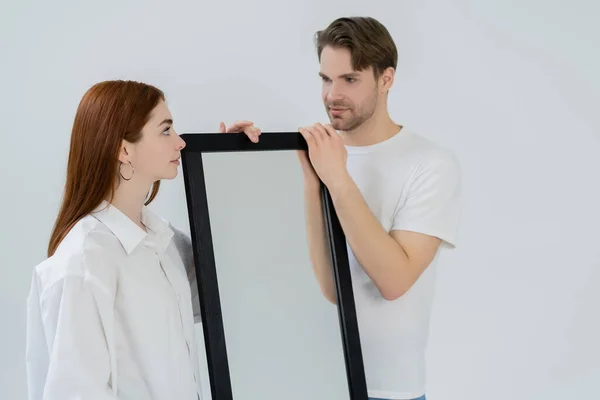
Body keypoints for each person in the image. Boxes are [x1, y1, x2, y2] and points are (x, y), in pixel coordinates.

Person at [25, 80, 260, 400]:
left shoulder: (164, 243)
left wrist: (225, 166)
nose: (180, 142)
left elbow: (227, 291)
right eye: (166, 130)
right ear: (124, 149)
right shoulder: (85, 262)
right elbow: (75, 391)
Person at [296, 17, 462, 400]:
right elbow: (332, 288)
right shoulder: (318, 155)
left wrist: (337, 180)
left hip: (390, 390)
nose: (332, 94)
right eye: (325, 78)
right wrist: (236, 152)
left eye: (349, 80)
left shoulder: (431, 164)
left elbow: (394, 280)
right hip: (317, 382)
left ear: (386, 79)